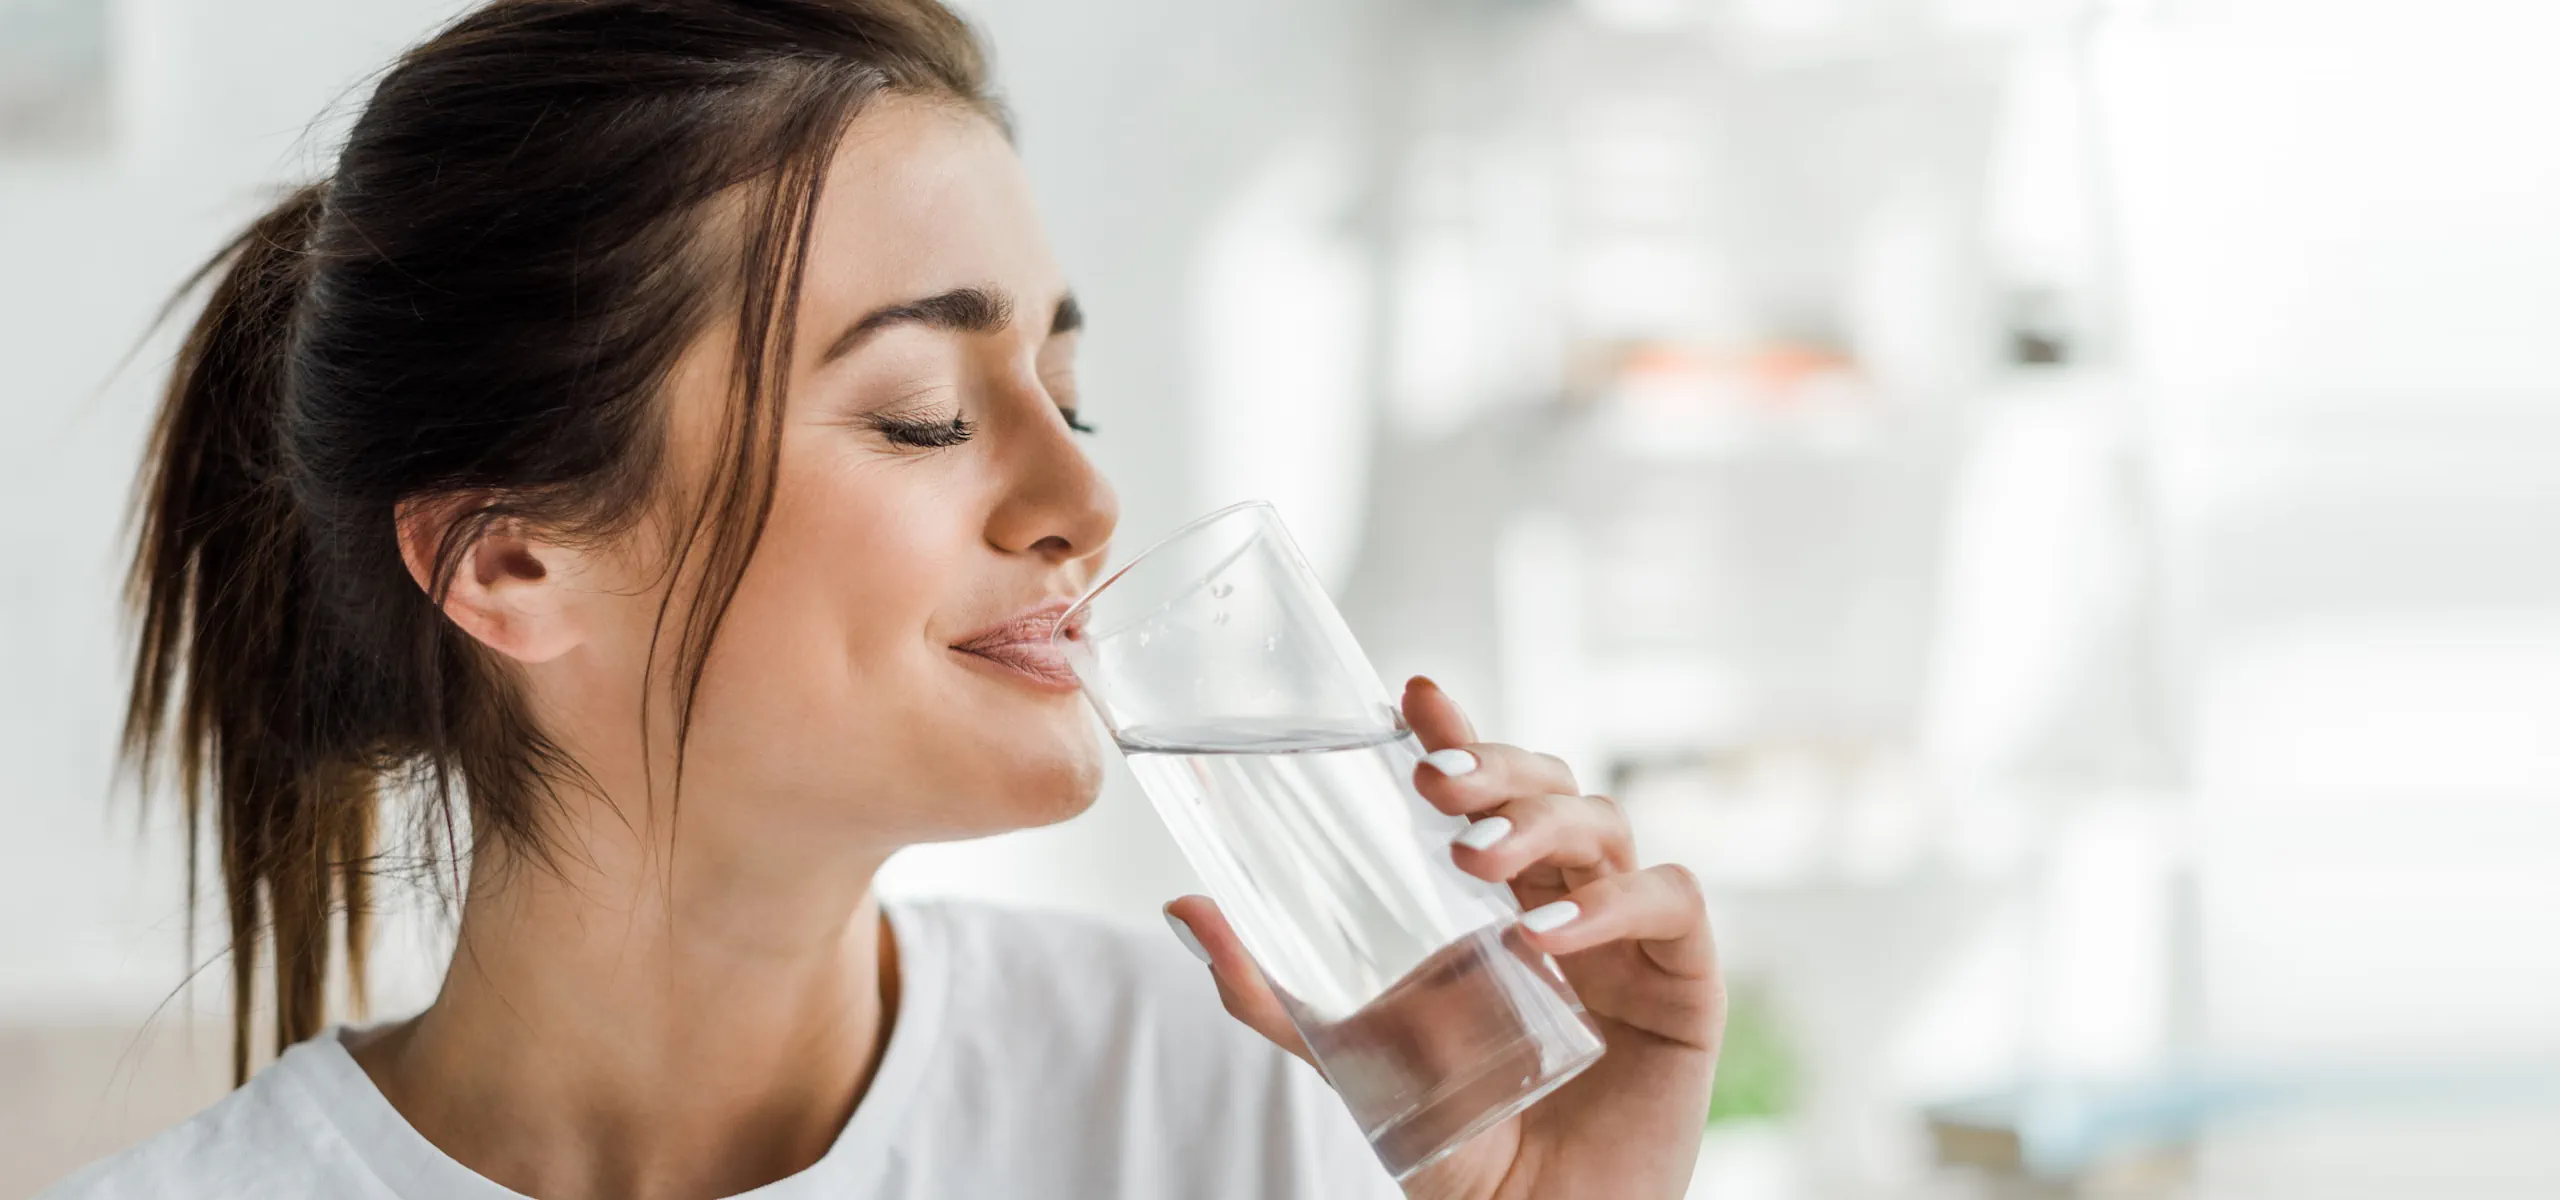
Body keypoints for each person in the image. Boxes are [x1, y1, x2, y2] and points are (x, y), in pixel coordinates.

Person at [43, 2, 1722, 1197]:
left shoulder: (1255, 1104)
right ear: (514, 562)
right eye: (925, 411)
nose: (1084, 500)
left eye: (1069, 396)